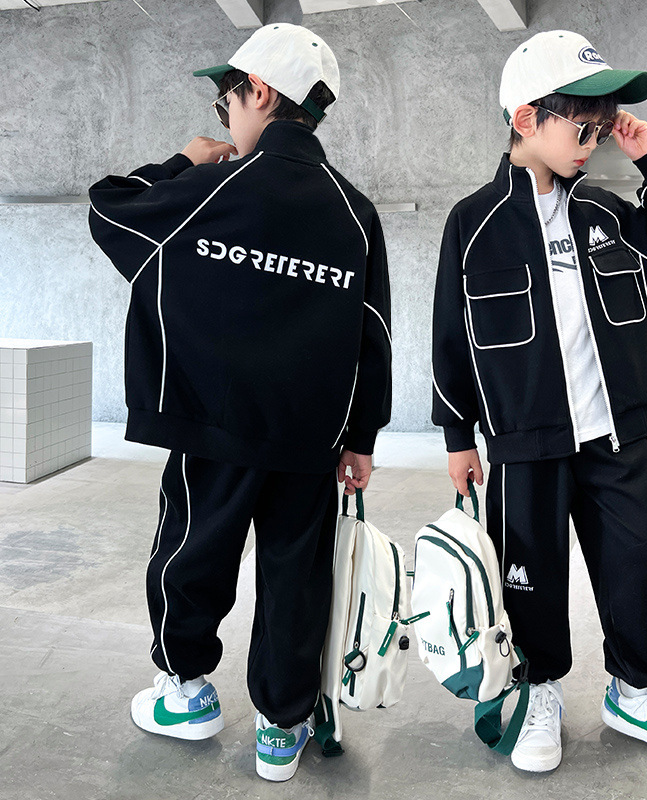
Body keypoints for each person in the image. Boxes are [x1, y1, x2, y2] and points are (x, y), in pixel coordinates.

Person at [88, 23, 391, 783]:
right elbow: (374, 332)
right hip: (310, 441)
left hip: (213, 428)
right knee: (296, 578)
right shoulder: (355, 211)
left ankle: (186, 693)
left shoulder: (208, 188)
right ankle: (281, 729)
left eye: (226, 101)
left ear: (258, 91)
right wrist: (362, 437)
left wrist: (181, 162)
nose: (225, 117)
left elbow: (110, 210)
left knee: (193, 559)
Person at [431, 30, 647, 773]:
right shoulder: (473, 223)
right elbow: (451, 336)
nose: (594, 145)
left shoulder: (604, 211)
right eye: (583, 129)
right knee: (528, 578)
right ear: (527, 119)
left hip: (613, 435)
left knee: (640, 561)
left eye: (602, 129)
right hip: (525, 443)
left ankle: (640, 692)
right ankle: (537, 693)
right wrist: (457, 436)